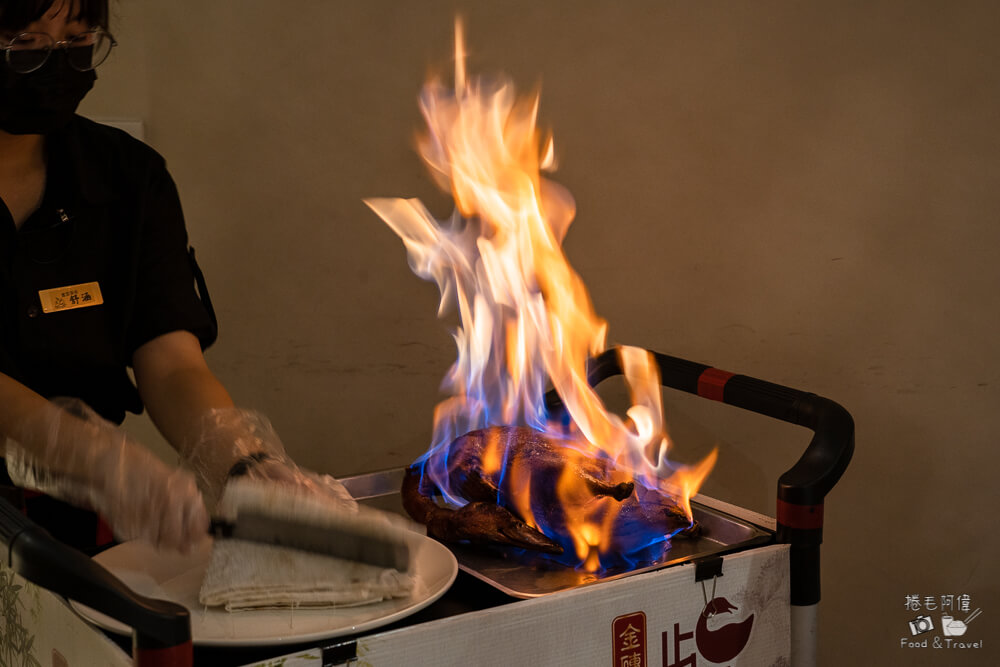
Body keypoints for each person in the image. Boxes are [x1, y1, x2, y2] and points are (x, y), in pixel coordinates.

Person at [0, 0, 346, 554]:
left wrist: (241, 463)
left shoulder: (126, 178)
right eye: (26, 44)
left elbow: (170, 361)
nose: (57, 62)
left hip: (71, 531)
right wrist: (91, 456)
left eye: (77, 38)